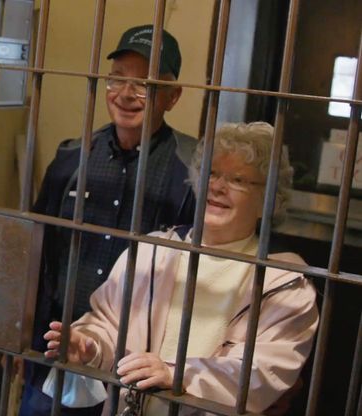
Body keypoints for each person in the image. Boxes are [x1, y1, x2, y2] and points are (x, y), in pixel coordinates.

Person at [43, 122, 319, 415]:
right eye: (211, 173)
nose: (217, 187)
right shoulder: (152, 251)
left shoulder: (286, 285)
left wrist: (178, 375)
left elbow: (264, 372)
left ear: (269, 198)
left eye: (237, 179)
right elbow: (110, 323)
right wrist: (91, 347)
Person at [21, 25, 196, 415]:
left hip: (135, 361)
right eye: (117, 79)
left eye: (145, 84)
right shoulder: (72, 158)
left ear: (172, 96)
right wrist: (23, 335)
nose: (127, 94)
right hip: (57, 347)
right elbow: (38, 251)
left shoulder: (190, 173)